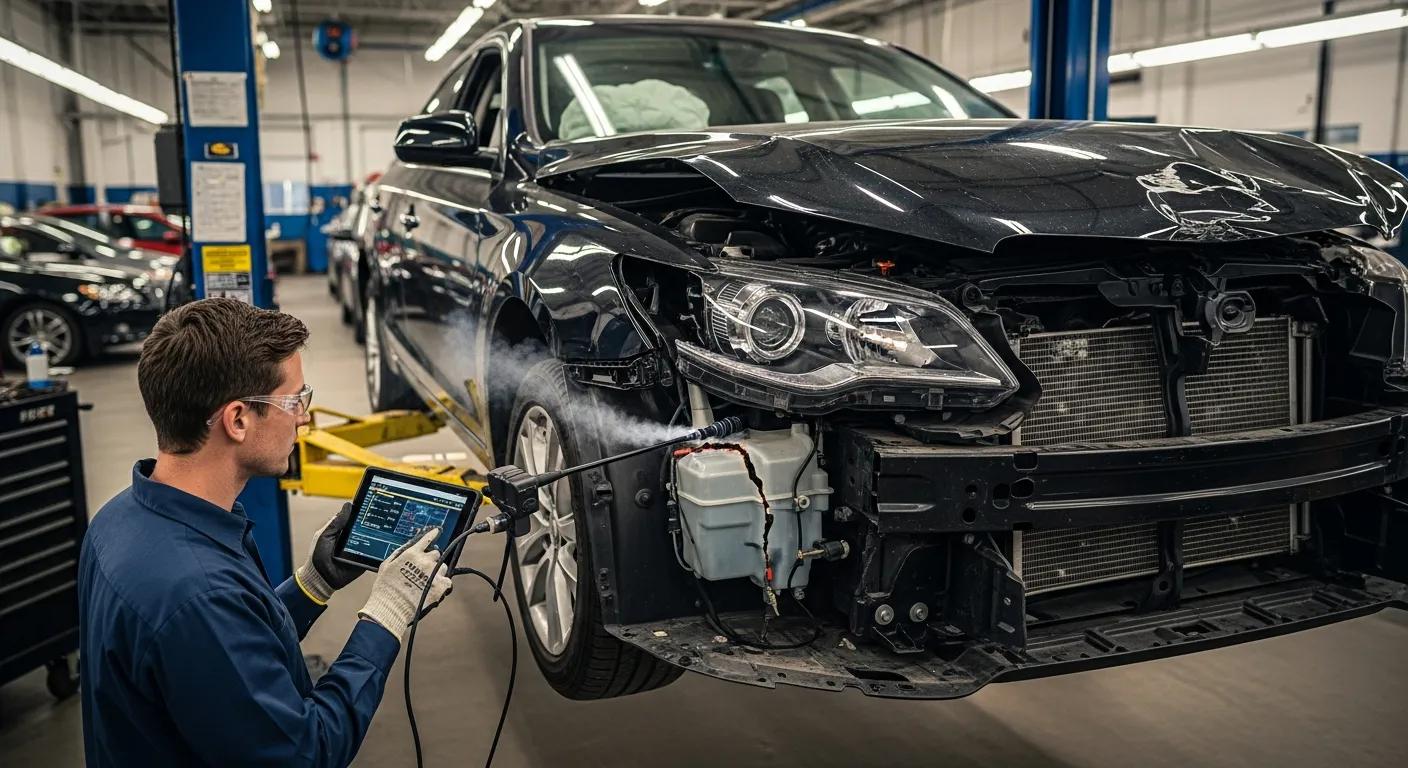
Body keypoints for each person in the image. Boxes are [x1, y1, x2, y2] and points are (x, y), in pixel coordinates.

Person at [77, 298, 454, 767]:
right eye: (294, 401)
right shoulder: (198, 593)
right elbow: (305, 752)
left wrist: (313, 583)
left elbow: (228, 664)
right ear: (237, 419)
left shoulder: (118, 520)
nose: (304, 417)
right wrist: (387, 616)